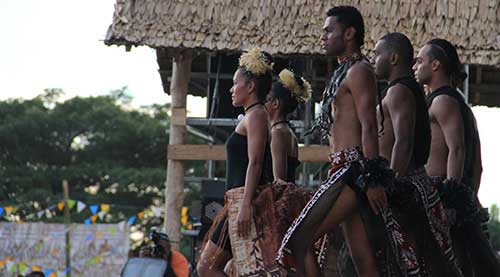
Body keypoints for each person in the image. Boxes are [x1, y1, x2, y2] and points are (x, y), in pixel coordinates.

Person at [277, 6, 395, 277]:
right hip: (342, 171)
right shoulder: (344, 71)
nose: (323, 36)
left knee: (298, 242)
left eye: (329, 30)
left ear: (349, 33)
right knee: (362, 258)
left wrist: (374, 178)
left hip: (353, 172)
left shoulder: (359, 71)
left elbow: (369, 125)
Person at [371, 32, 461, 276]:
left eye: (377, 53)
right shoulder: (402, 90)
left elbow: (403, 141)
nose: (373, 59)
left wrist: (390, 185)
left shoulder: (399, 91)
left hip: (405, 183)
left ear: (393, 57)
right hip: (408, 182)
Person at [414, 38, 500, 276]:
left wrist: (451, 202)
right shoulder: (456, 103)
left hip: (443, 198)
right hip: (450, 197)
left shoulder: (443, 101)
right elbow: (478, 165)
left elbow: (458, 150)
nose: (414, 66)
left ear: (436, 65)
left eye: (420, 61)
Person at [196, 47, 276, 276]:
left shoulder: (257, 115)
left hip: (246, 201)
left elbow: (256, 163)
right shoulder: (253, 115)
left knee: (206, 267)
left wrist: (245, 207)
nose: (231, 89)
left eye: (235, 83)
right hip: (238, 201)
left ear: (250, 87)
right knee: (231, 268)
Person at [265, 69, 311, 182]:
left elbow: (279, 181)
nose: (263, 103)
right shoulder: (288, 133)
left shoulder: (277, 133)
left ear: (275, 104)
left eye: (266, 99)